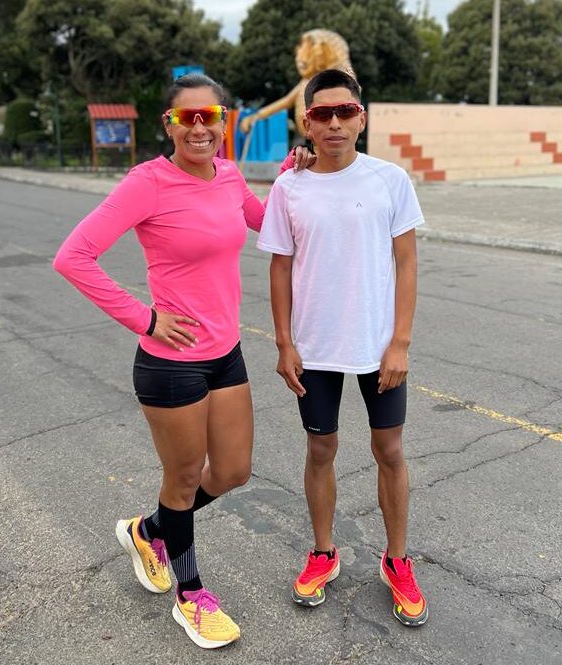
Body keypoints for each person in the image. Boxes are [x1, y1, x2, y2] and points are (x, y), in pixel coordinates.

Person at [53, 73, 313, 649]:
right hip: (170, 362)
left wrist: (294, 176)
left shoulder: (226, 174)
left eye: (210, 116)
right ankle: (190, 594)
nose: (200, 127)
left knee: (234, 471)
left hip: (225, 353)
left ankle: (150, 532)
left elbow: (264, 220)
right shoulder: (148, 183)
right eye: (186, 118)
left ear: (224, 122)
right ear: (167, 125)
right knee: (184, 477)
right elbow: (73, 257)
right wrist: (144, 319)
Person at [257, 69, 429, 626]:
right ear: (305, 121)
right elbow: (280, 268)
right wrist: (284, 343)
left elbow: (406, 264)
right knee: (320, 450)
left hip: (379, 347)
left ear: (362, 117)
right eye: (322, 114)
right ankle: (324, 553)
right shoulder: (289, 187)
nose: (334, 122)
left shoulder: (390, 179)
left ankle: (397, 561)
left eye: (345, 112)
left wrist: (400, 342)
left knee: (390, 451)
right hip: (315, 349)